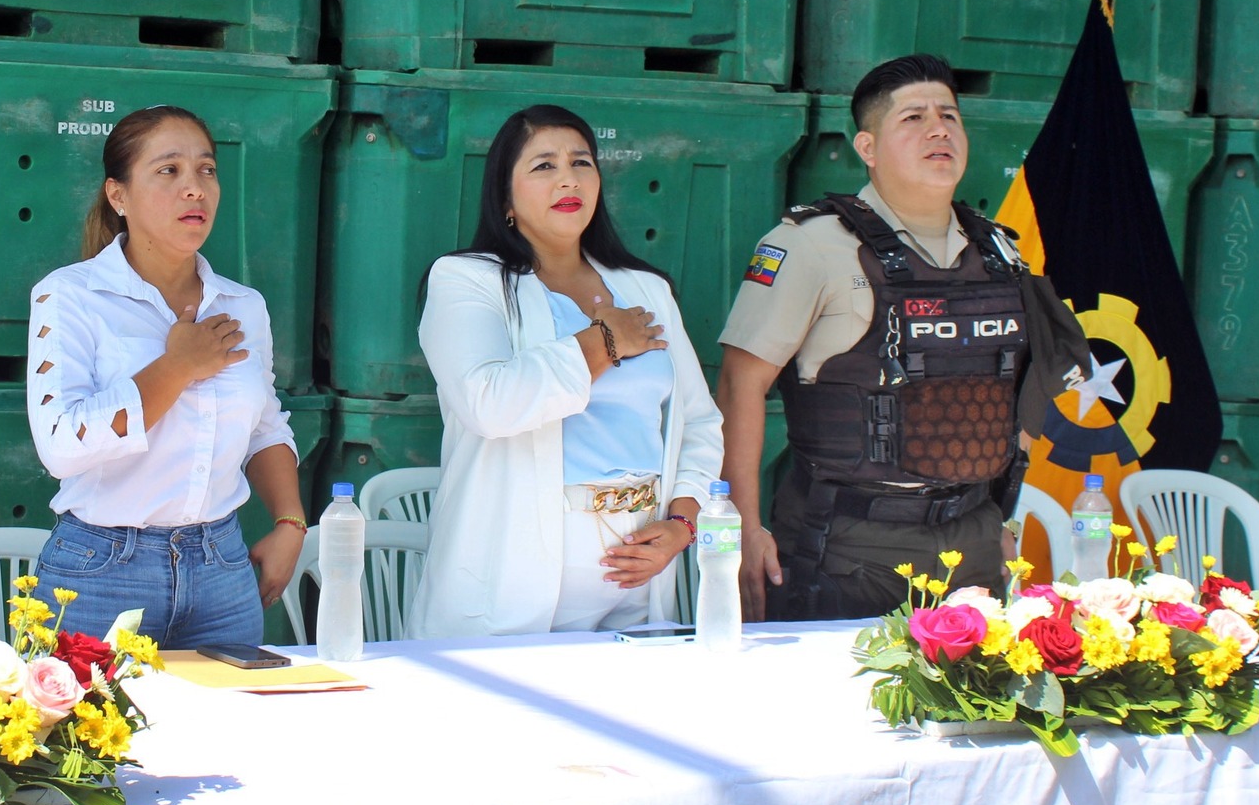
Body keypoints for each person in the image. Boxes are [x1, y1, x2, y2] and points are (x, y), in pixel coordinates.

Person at [717, 54, 1089, 622]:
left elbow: (1024, 391)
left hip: (974, 549)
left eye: (949, 116)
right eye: (913, 118)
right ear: (867, 147)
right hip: (847, 549)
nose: (939, 129)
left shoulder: (1001, 253)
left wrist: (1000, 519)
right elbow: (739, 385)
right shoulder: (811, 244)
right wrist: (744, 527)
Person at [409, 105, 723, 638]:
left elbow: (697, 421)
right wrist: (604, 342)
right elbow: (488, 404)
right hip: (508, 580)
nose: (568, 179)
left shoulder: (645, 289)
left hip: (637, 575)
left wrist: (682, 523)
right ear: (505, 199)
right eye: (544, 166)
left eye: (581, 163)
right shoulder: (467, 280)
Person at [26, 105, 304, 647]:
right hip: (101, 573)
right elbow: (60, 445)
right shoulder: (70, 295)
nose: (195, 188)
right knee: (93, 709)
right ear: (118, 195)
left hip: (223, 570)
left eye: (207, 169)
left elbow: (265, 426)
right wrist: (177, 367)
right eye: (168, 170)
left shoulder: (243, 305)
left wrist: (290, 522)